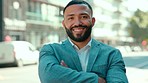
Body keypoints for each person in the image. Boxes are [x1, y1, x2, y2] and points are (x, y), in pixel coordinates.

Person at [38, 0, 128, 83]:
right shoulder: (51, 50)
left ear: (92, 21)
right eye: (71, 18)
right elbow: (48, 77)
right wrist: (97, 80)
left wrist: (67, 77)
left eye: (84, 17)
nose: (77, 23)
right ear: (64, 24)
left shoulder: (112, 54)